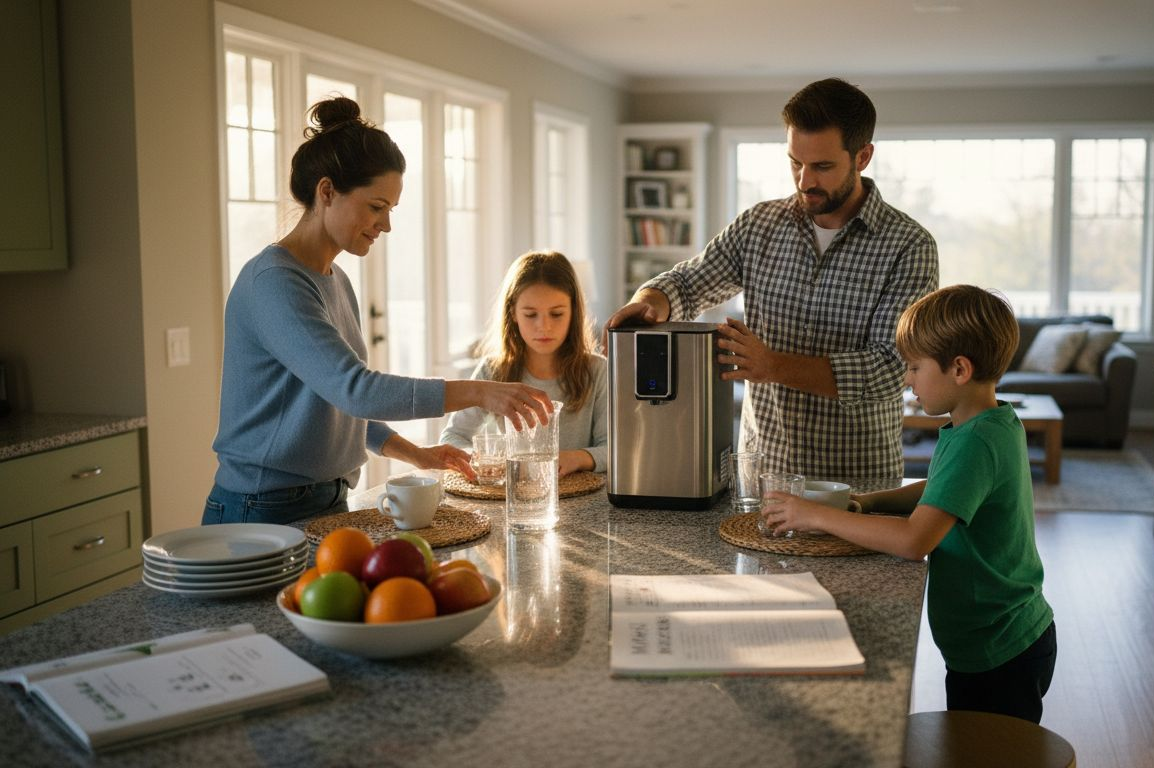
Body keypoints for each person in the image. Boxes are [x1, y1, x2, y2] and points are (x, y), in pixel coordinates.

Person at [205, 97, 551, 525]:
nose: (385, 225)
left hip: (323, 498)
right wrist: (480, 391)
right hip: (261, 507)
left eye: (390, 210)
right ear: (327, 191)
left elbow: (334, 404)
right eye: (376, 206)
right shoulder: (275, 283)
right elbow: (357, 390)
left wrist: (416, 454)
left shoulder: (334, 279)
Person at [604, 78, 938, 480]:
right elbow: (689, 283)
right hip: (763, 478)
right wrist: (651, 299)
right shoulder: (760, 224)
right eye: (795, 162)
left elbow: (889, 370)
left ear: (863, 156)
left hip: (856, 484)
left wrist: (772, 366)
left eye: (823, 166)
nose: (804, 181)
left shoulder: (910, 245)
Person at [762, 284, 1056, 724]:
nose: (906, 379)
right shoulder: (991, 422)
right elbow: (939, 489)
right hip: (1006, 636)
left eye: (915, 367)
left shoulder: (976, 442)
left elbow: (914, 540)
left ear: (958, 369)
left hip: (998, 653)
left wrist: (815, 513)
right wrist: (866, 503)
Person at [440, 251, 608, 477]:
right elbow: (453, 437)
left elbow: (614, 449)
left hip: (586, 500)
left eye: (557, 314)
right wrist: (480, 459)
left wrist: (578, 457)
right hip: (514, 497)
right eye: (530, 315)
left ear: (573, 313)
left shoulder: (597, 371)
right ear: (514, 313)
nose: (544, 326)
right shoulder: (494, 370)